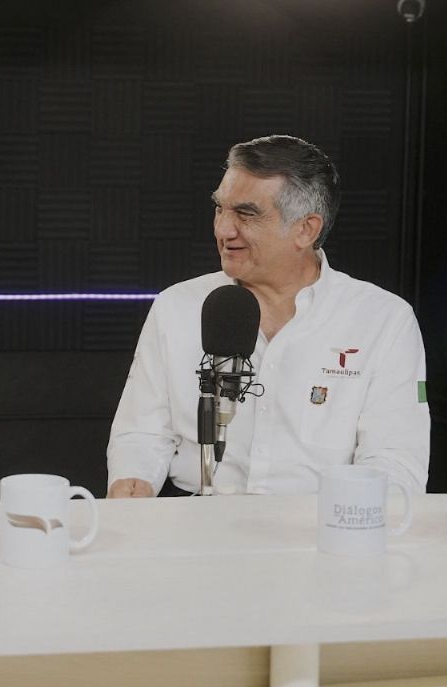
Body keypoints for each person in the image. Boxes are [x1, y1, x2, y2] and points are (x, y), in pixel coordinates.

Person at [107, 135, 428, 498]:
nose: (223, 230)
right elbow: (141, 432)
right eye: (219, 209)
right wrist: (132, 482)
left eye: (246, 214)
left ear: (306, 229)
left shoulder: (384, 321)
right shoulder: (176, 306)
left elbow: (395, 460)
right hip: (194, 516)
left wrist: (352, 520)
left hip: (322, 521)